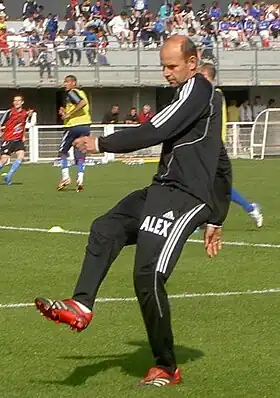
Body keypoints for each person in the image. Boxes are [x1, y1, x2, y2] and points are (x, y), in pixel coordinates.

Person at [35, 36, 232, 387]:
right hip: (163, 191)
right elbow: (221, 158)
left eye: (172, 66)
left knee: (147, 276)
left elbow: (155, 130)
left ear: (193, 61)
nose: (167, 73)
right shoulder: (201, 98)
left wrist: (102, 144)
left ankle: (167, 367)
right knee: (105, 227)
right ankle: (81, 305)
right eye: (163, 66)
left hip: (185, 198)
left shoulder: (197, 89)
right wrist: (218, 216)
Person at [200, 62, 263, 228]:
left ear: (209, 77)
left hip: (214, 146)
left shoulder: (215, 94)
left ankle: (250, 208)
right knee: (207, 183)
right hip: (207, 145)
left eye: (202, 76)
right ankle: (201, 221)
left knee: (216, 185)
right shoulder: (209, 94)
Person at [57, 75, 92, 192]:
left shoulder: (72, 92)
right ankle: (80, 179)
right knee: (80, 153)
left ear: (74, 83)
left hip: (73, 126)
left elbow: (81, 104)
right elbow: (83, 104)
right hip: (85, 126)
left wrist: (68, 114)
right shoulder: (82, 92)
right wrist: (65, 111)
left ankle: (65, 177)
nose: (65, 84)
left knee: (63, 151)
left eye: (67, 82)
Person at [0, 95, 33, 185]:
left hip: (18, 140)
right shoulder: (9, 112)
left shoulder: (24, 113)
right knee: (4, 160)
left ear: (22, 102)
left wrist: (23, 135)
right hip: (8, 139)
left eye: (19, 100)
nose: (17, 102)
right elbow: (1, 123)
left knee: (21, 156)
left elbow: (25, 124)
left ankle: (9, 176)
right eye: (15, 101)